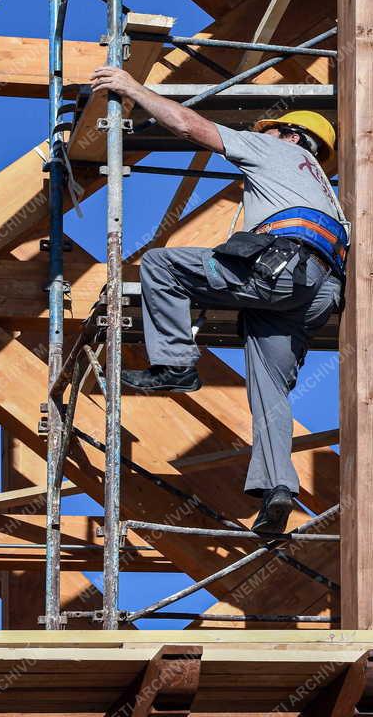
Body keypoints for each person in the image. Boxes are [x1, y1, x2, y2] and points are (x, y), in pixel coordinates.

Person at [89, 64, 346, 537]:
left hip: (279, 272)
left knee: (161, 265)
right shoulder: (327, 191)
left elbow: (189, 125)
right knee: (270, 389)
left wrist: (132, 88)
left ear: (291, 135)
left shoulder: (274, 148)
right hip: (315, 290)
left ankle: (175, 365)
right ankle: (277, 488)